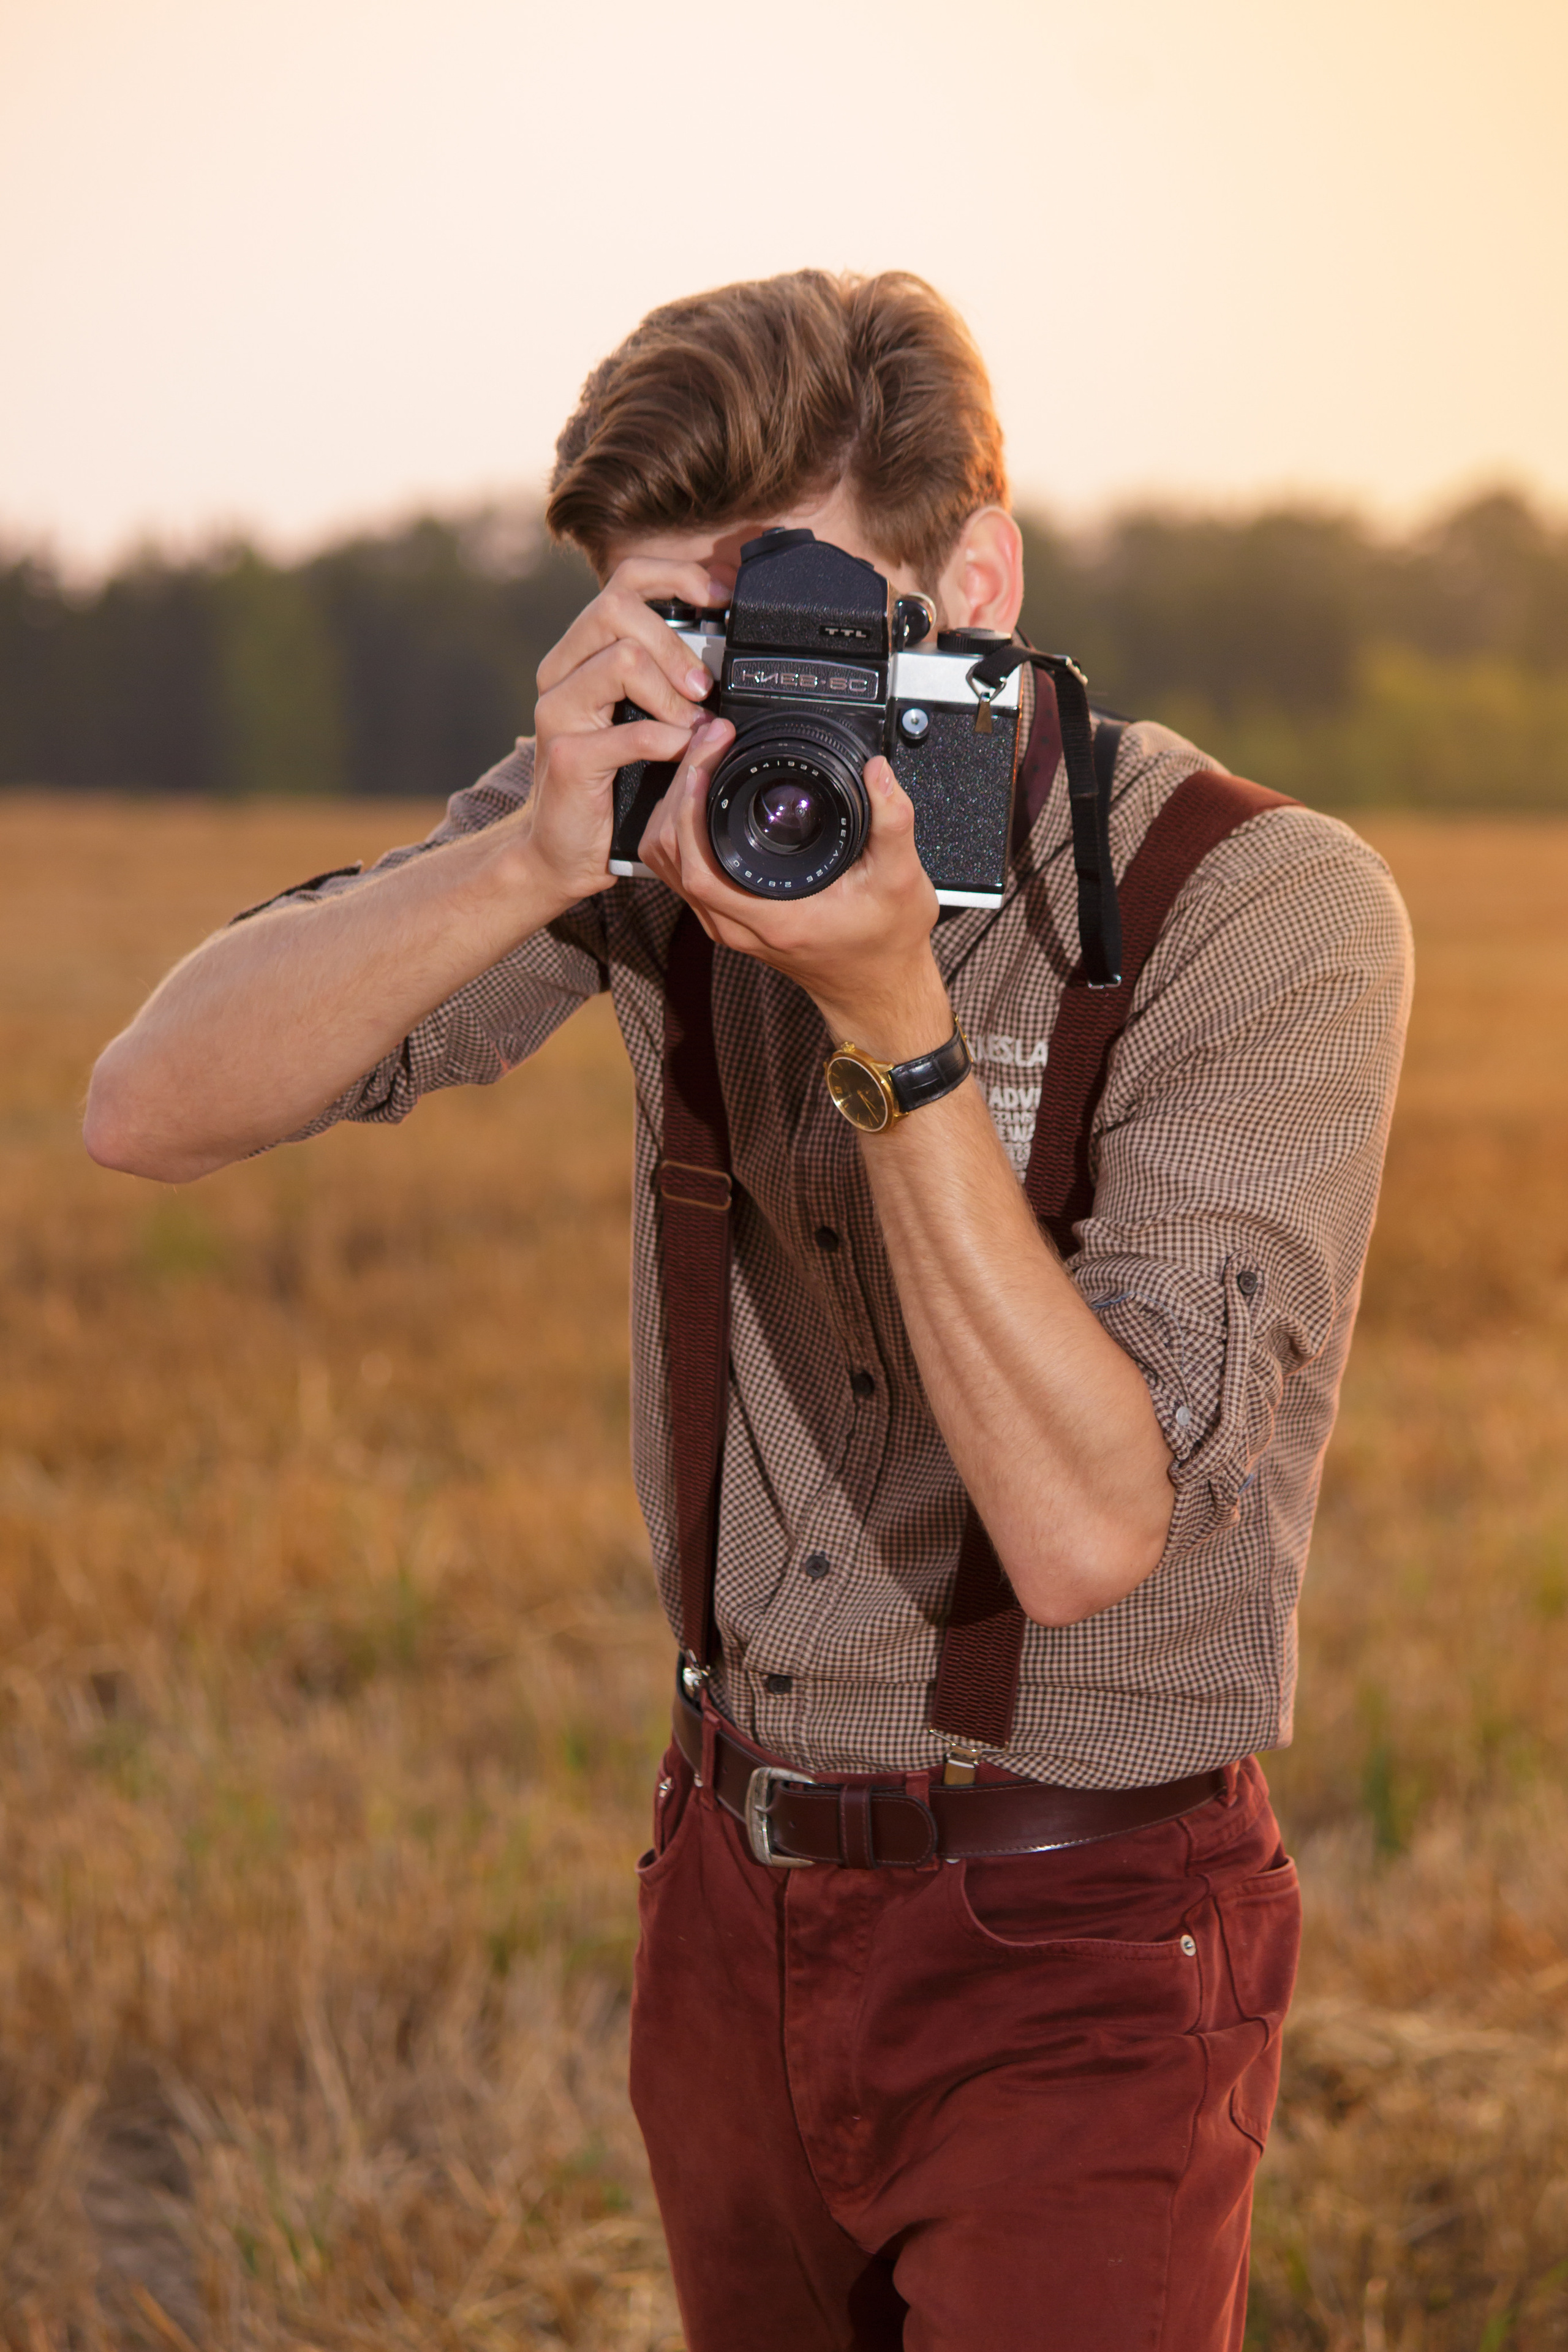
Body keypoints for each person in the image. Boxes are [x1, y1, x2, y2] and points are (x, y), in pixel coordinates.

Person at [85, 270, 1411, 2351]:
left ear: (976, 575)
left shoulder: (1258, 907)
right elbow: (147, 1109)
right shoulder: (641, 813)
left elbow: (1086, 1533)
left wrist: (892, 1027)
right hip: (729, 1882)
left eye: (792, 629)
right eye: (680, 641)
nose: (747, 723)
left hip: (1083, 1925)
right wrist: (530, 849)